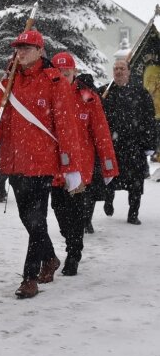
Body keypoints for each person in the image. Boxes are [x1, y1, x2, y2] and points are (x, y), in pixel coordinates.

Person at [0, 30, 84, 299]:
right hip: (14, 162)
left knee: (36, 219)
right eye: (18, 48)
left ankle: (29, 277)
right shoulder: (9, 81)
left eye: (26, 48)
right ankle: (50, 258)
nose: (20, 53)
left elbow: (66, 127)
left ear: (39, 51)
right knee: (29, 219)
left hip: (43, 163)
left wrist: (70, 166)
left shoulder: (54, 80)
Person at [48, 52, 118, 276]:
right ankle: (70, 240)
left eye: (66, 72)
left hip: (80, 167)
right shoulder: (47, 94)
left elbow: (101, 133)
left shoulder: (88, 97)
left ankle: (73, 253)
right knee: (58, 210)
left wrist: (108, 165)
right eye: (58, 72)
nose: (62, 76)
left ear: (74, 73)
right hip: (53, 167)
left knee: (77, 213)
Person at [100, 59, 156, 224]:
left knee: (136, 183)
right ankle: (108, 201)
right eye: (116, 68)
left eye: (122, 68)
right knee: (110, 178)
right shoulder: (105, 92)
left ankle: (133, 214)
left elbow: (149, 120)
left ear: (129, 72)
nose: (118, 71)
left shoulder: (140, 93)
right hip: (112, 146)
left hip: (134, 146)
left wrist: (150, 144)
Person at [141, 62, 160, 162]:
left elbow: (148, 90)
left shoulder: (151, 70)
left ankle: (157, 154)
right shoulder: (153, 71)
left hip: (155, 111)